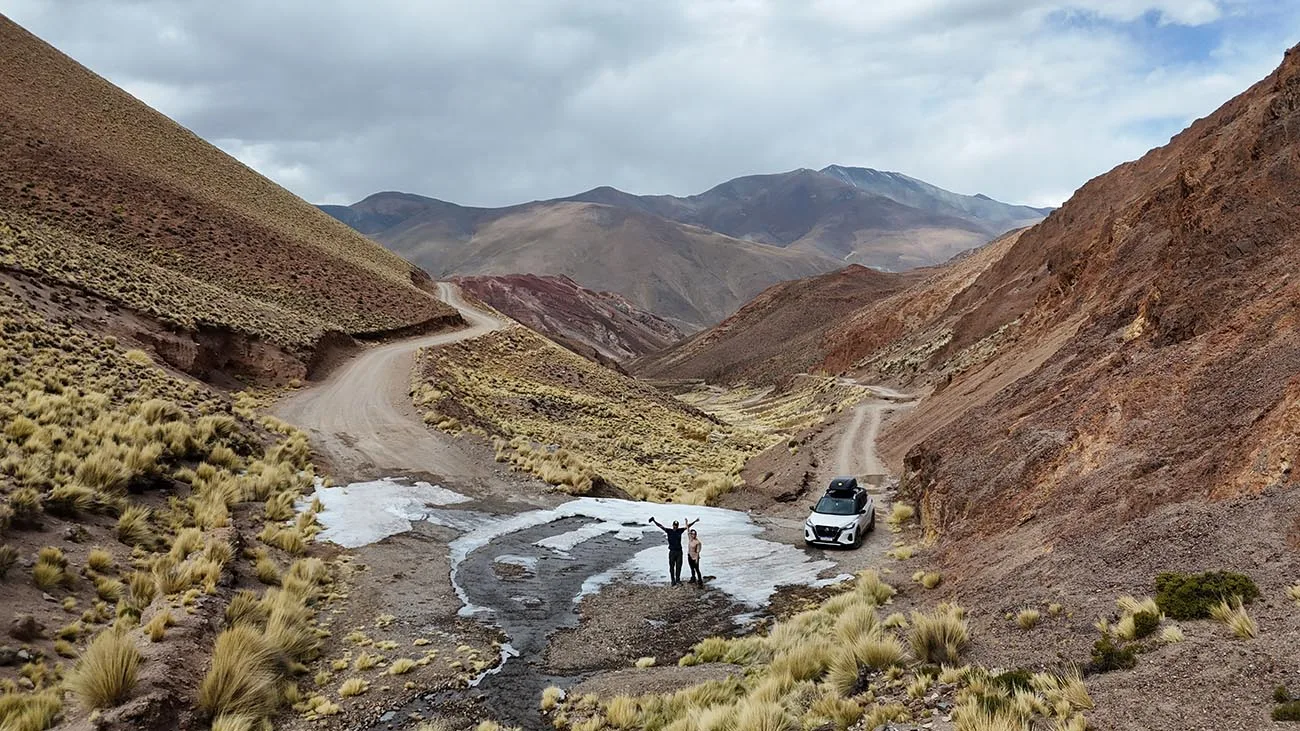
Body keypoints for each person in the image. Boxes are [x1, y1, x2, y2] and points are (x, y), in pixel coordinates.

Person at [649, 516, 697, 585]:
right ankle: (673, 580)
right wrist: (654, 521)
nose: (675, 527)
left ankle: (678, 579)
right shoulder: (669, 531)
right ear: (673, 525)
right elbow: (660, 526)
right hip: (672, 552)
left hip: (679, 552)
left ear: (677, 526)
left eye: (676, 526)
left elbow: (687, 526)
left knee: (679, 566)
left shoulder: (680, 531)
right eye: (674, 526)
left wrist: (694, 521)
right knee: (671, 566)